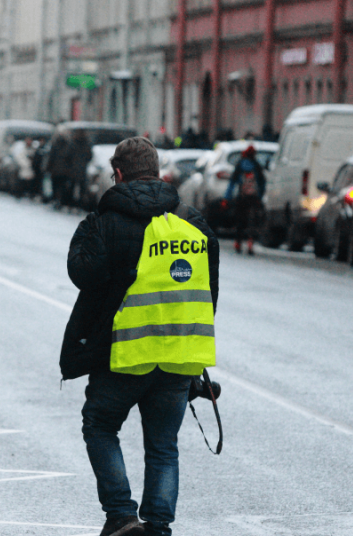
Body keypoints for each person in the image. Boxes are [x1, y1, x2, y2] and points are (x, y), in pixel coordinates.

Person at [61, 137, 220, 536]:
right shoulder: (194, 223)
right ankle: (158, 526)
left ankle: (121, 515)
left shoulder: (106, 222)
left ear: (117, 174)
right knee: (163, 445)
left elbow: (83, 274)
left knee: (99, 425)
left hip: (124, 353)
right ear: (160, 171)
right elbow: (208, 292)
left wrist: (91, 225)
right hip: (179, 356)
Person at [226, 145, 266, 255]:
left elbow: (232, 182)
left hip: (241, 197)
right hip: (253, 198)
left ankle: (238, 242)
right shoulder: (257, 166)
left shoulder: (239, 165)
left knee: (240, 220)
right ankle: (250, 243)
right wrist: (260, 195)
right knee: (252, 221)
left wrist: (227, 197)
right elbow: (262, 183)